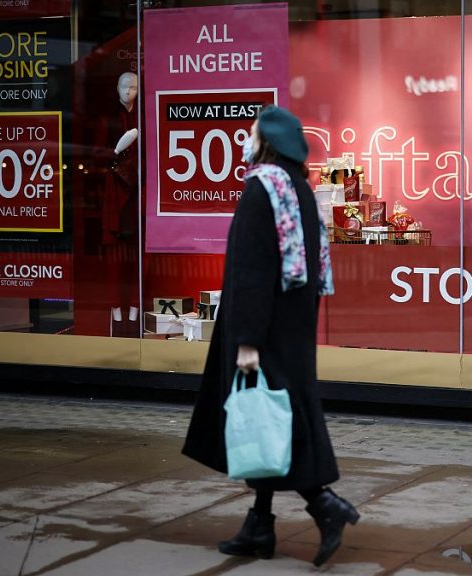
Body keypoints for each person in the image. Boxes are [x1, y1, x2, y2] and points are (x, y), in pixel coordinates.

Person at [182, 105, 358, 566]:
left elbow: (251, 269)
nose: (247, 140)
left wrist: (247, 340)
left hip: (262, 325)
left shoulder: (263, 189)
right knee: (269, 417)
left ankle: (325, 506)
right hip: (292, 325)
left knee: (273, 418)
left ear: (267, 142)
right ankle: (259, 524)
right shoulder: (299, 188)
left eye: (252, 133)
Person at [101, 71, 140, 336]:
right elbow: (97, 154)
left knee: (137, 259)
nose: (129, 91)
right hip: (116, 188)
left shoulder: (142, 116)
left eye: (134, 87)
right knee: (115, 257)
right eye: (125, 86)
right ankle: (116, 314)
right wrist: (115, 151)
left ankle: (135, 313)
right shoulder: (108, 119)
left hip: (138, 189)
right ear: (117, 87)